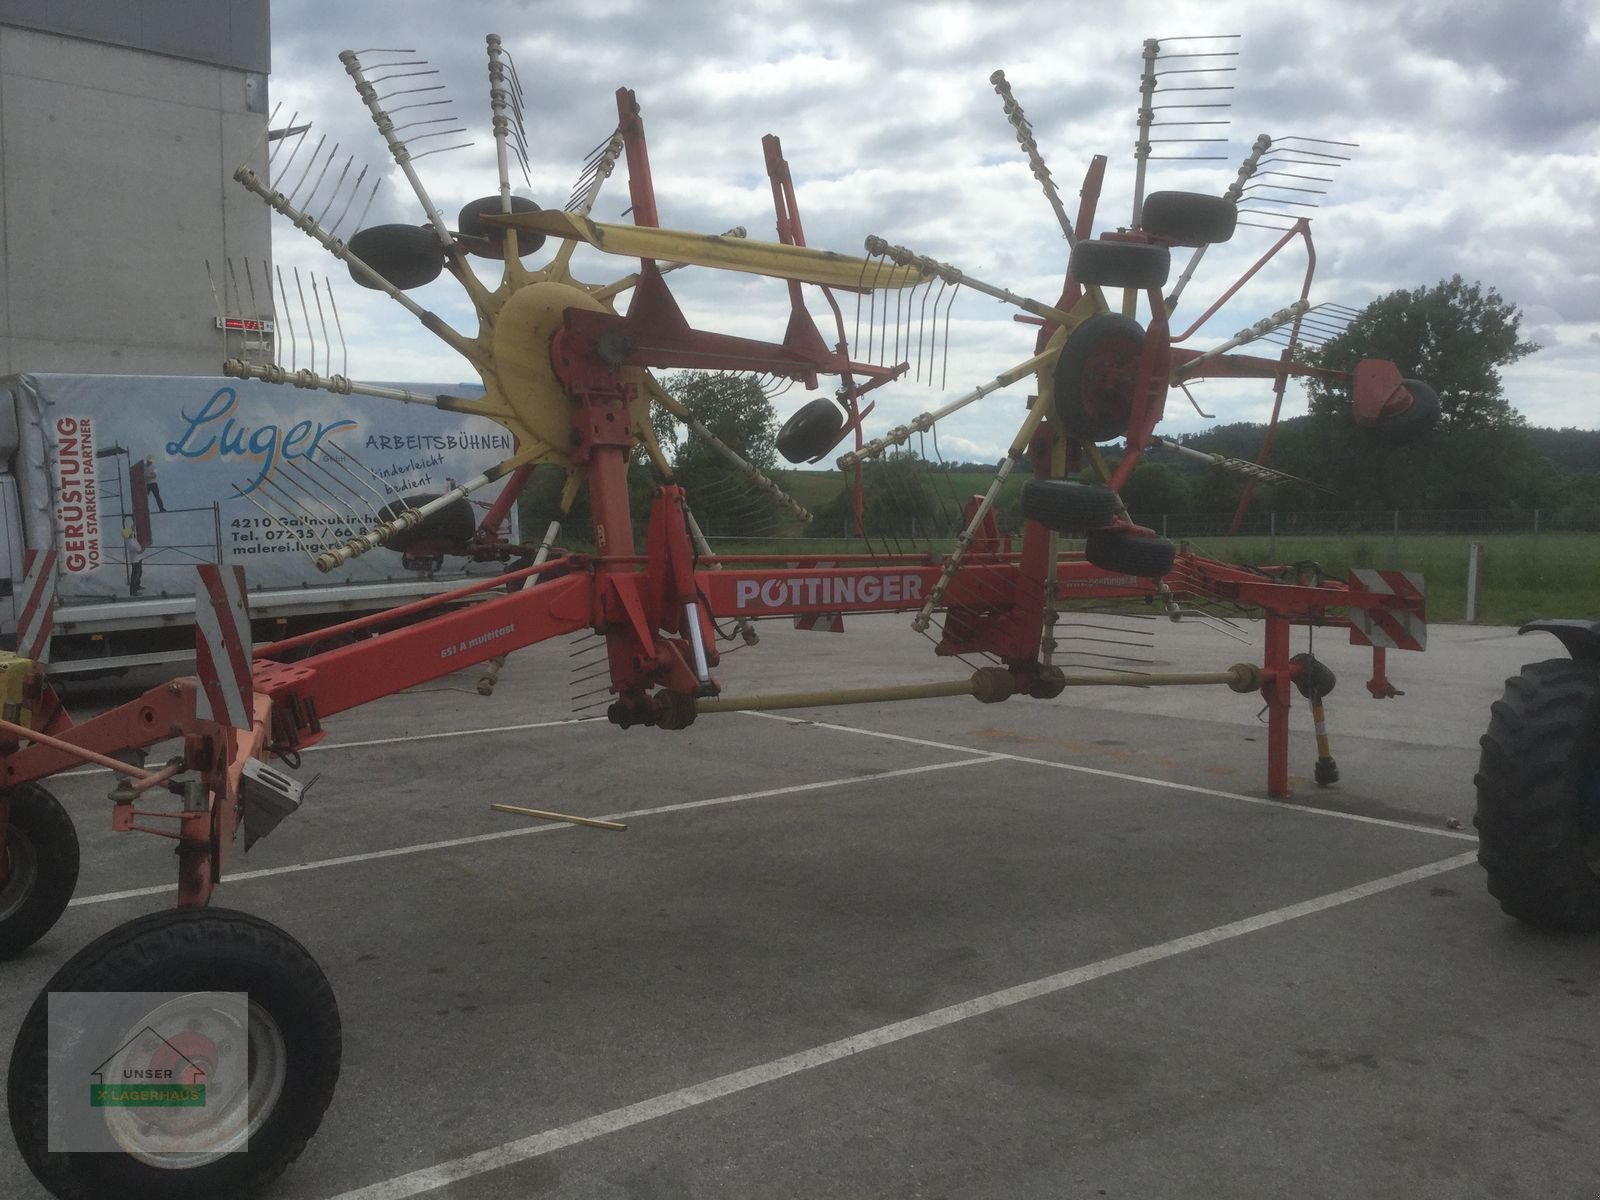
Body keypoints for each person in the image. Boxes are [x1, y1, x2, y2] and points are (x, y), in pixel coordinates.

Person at [123, 527, 145, 595]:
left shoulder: (129, 539)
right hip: (135, 561)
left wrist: (133, 526)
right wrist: (144, 548)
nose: (131, 532)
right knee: (135, 576)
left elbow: (133, 531)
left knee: (139, 572)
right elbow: (139, 551)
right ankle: (133, 592)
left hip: (138, 559)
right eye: (130, 532)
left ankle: (137, 586)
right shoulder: (131, 543)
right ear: (129, 535)